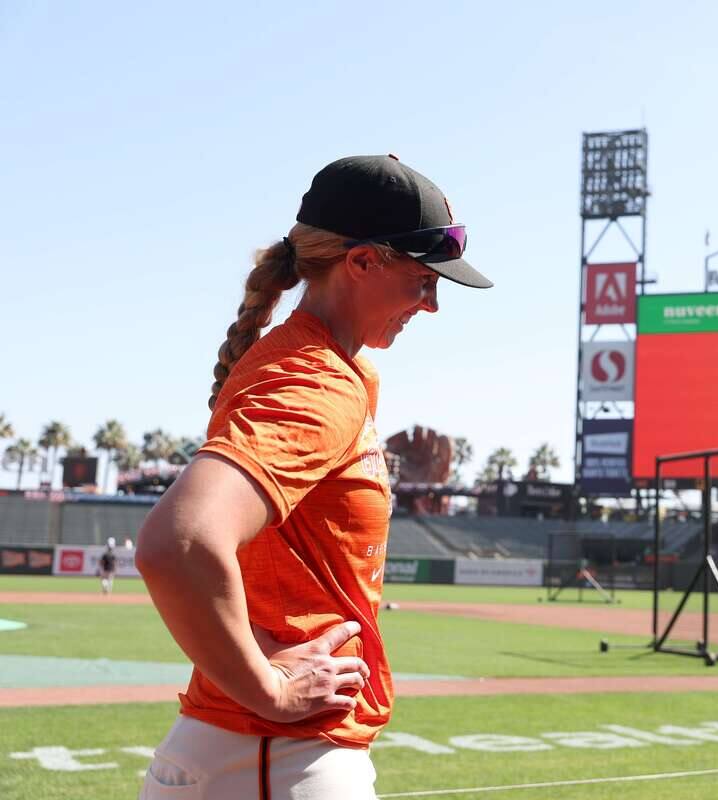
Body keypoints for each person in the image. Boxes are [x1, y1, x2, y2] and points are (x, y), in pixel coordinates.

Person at [135, 154, 492, 799]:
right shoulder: (315, 380)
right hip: (273, 758)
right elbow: (178, 542)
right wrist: (268, 686)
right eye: (423, 280)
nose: (433, 303)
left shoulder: (324, 364)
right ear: (361, 262)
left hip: (259, 756)